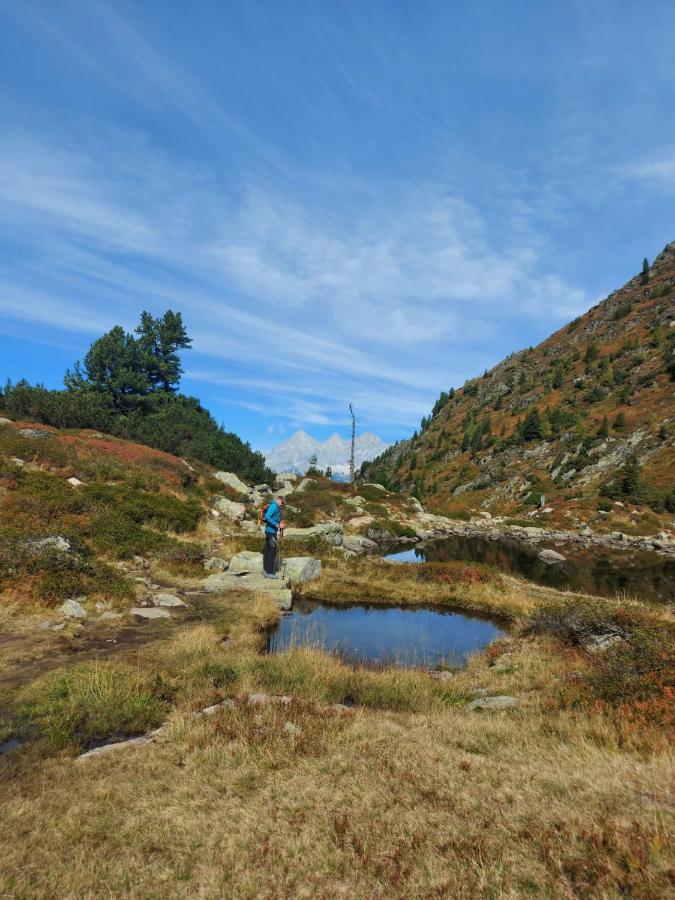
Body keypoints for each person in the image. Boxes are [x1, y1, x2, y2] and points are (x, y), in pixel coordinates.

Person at [262, 496, 285, 578]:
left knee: (267, 550)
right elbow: (267, 517)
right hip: (271, 532)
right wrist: (278, 525)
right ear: (278, 500)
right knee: (272, 551)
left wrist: (280, 521)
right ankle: (269, 573)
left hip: (269, 531)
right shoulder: (274, 505)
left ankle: (265, 570)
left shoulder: (274, 506)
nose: (282, 504)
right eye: (282, 502)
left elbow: (274, 517)